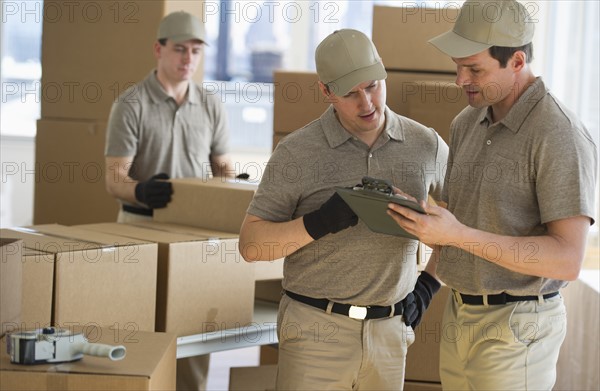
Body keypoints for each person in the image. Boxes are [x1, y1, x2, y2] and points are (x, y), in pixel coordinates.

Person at [387, 1, 598, 390]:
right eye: (458, 66)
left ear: (517, 61)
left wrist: (456, 235)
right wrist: (427, 283)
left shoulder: (558, 134)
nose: (459, 80)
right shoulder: (466, 123)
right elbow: (460, 224)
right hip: (460, 315)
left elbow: (568, 259)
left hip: (518, 325)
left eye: (474, 70)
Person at [239, 29, 448, 390]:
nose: (367, 103)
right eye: (351, 93)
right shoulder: (297, 152)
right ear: (326, 91)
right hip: (314, 332)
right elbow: (251, 245)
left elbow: (464, 218)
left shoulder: (425, 144)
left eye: (372, 86)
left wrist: (429, 284)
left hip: (389, 334)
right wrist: (318, 223)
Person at [104, 11, 234, 391]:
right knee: (139, 325)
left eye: (195, 51)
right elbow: (114, 178)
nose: (188, 59)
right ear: (158, 50)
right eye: (179, 49)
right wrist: (141, 191)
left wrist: (232, 186)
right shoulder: (131, 104)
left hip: (195, 233)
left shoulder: (210, 105)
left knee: (192, 328)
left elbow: (224, 169)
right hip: (140, 229)